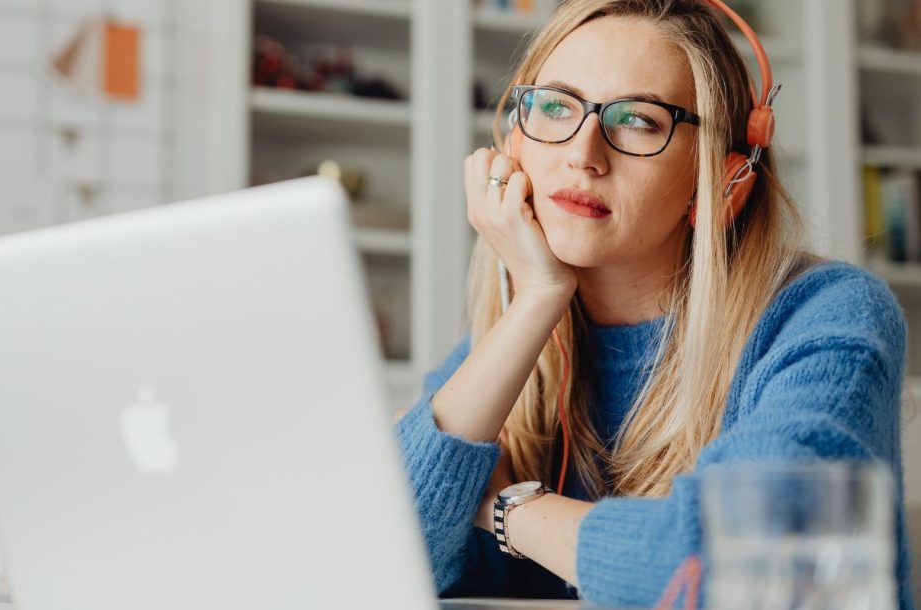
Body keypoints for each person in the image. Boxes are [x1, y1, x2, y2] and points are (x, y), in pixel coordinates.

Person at [392, 1, 916, 609]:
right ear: (514, 145)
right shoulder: (518, 350)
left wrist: (508, 508)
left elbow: (745, 572)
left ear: (724, 183)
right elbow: (378, 555)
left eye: (638, 121)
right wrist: (538, 295)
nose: (583, 152)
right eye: (557, 107)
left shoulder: (826, 317)